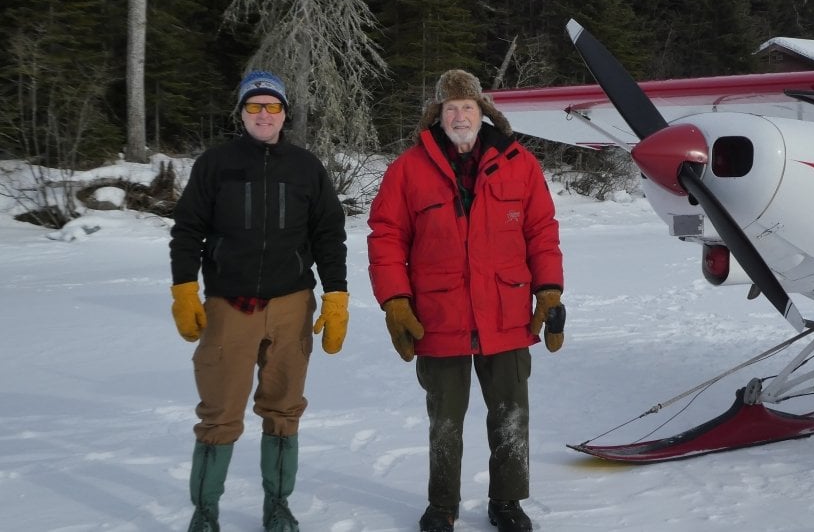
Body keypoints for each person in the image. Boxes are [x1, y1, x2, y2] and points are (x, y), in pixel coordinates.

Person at [366, 69, 566, 532]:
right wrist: (395, 300)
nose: (460, 116)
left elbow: (542, 232)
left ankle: (508, 502)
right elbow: (386, 237)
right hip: (439, 317)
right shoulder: (408, 168)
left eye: (468, 108)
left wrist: (549, 292)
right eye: (451, 108)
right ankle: (443, 506)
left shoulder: (521, 164)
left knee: (511, 415)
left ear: (483, 112)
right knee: (445, 423)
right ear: (438, 115)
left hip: (507, 314)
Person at [169, 70, 349, 532]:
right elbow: (187, 229)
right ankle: (205, 513)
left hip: (292, 304)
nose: (263, 115)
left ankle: (278, 506)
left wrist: (336, 295)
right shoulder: (215, 164)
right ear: (242, 112)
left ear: (285, 113)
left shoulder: (306, 167)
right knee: (219, 413)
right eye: (254, 106)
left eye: (272, 106)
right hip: (231, 307)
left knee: (284, 408)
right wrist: (185, 287)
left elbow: (329, 235)